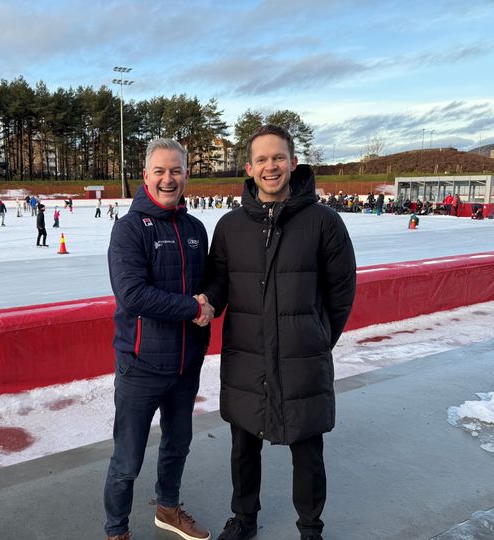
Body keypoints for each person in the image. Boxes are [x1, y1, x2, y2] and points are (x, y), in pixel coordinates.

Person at [200, 124, 356, 540]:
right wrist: (208, 302)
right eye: (263, 160)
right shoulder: (230, 226)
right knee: (243, 446)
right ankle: (245, 519)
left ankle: (310, 528)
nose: (272, 166)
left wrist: (319, 337)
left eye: (279, 157)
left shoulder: (324, 222)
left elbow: (342, 291)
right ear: (249, 168)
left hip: (302, 357)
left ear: (293, 162)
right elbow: (219, 281)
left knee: (307, 450)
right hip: (246, 357)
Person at [103, 138, 212, 540]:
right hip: (141, 366)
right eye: (160, 171)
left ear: (186, 174)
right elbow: (132, 295)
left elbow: (211, 284)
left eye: (176, 170)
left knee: (177, 445)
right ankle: (116, 530)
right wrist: (192, 308)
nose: (169, 179)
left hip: (186, 365)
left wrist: (211, 301)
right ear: (146, 175)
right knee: (127, 460)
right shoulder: (130, 229)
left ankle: (167, 509)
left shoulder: (195, 228)